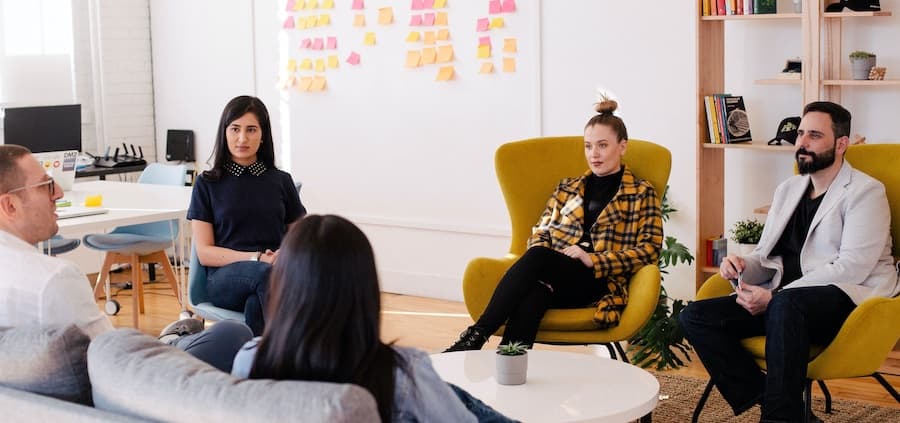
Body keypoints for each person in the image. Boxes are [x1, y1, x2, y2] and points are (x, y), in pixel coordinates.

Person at [678, 101, 900, 422]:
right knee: (695, 316)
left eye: (814, 136)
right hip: (784, 305)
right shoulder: (789, 189)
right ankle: (783, 410)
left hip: (848, 304)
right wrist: (742, 265)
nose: (802, 143)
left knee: (786, 305)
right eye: (800, 134)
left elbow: (853, 267)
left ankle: (779, 416)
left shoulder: (865, 192)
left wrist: (775, 297)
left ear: (841, 144)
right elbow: (768, 255)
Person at [232, 214, 514, 423]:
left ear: (283, 287)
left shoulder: (249, 360)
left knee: (453, 393)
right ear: (364, 289)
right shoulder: (403, 371)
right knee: (456, 398)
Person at [0, 144, 252, 372]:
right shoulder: (53, 280)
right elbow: (113, 358)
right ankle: (169, 343)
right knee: (231, 333)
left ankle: (168, 341)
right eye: (45, 185)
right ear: (10, 205)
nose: (58, 193)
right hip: (134, 382)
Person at [444, 98, 664, 352]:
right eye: (588, 146)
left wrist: (594, 259)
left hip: (599, 282)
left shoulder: (641, 193)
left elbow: (650, 250)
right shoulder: (567, 188)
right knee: (535, 294)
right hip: (556, 274)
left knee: (538, 257)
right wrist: (553, 261)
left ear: (622, 146)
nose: (594, 154)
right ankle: (508, 363)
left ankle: (477, 335)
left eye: (603, 145)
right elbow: (541, 232)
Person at [187, 95, 306, 336]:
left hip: (271, 275)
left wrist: (283, 255)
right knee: (266, 275)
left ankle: (258, 357)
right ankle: (299, 348)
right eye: (235, 129)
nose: (242, 138)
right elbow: (205, 253)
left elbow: (302, 238)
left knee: (256, 304)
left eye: (251, 130)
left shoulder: (281, 181)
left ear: (263, 135)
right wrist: (257, 258)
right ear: (224, 133)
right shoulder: (207, 184)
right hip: (224, 279)